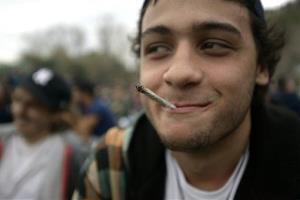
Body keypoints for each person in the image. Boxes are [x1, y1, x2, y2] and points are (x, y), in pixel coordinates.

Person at [73, 0, 300, 199]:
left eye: (213, 45)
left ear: (261, 67)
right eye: (158, 48)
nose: (178, 74)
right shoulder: (112, 164)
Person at [0, 68, 87, 200]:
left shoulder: (73, 154)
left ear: (55, 114)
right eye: (17, 100)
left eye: (33, 105)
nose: (20, 111)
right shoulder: (4, 139)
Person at [70, 79, 116, 143]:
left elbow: (82, 132)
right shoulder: (85, 107)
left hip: (106, 145)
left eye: (75, 91)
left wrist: (72, 106)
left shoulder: (98, 107)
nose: (73, 94)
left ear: (84, 93)